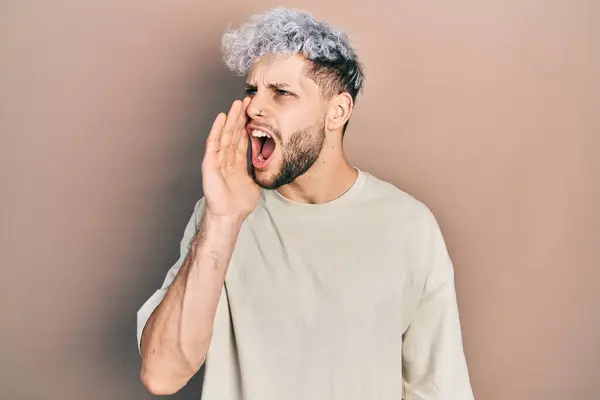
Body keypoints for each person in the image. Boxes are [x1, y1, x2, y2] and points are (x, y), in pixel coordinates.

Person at [136, 7, 474, 400]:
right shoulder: (218, 216)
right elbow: (162, 375)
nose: (254, 108)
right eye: (252, 90)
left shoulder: (409, 226)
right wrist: (222, 221)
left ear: (338, 111)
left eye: (281, 93)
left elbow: (439, 389)